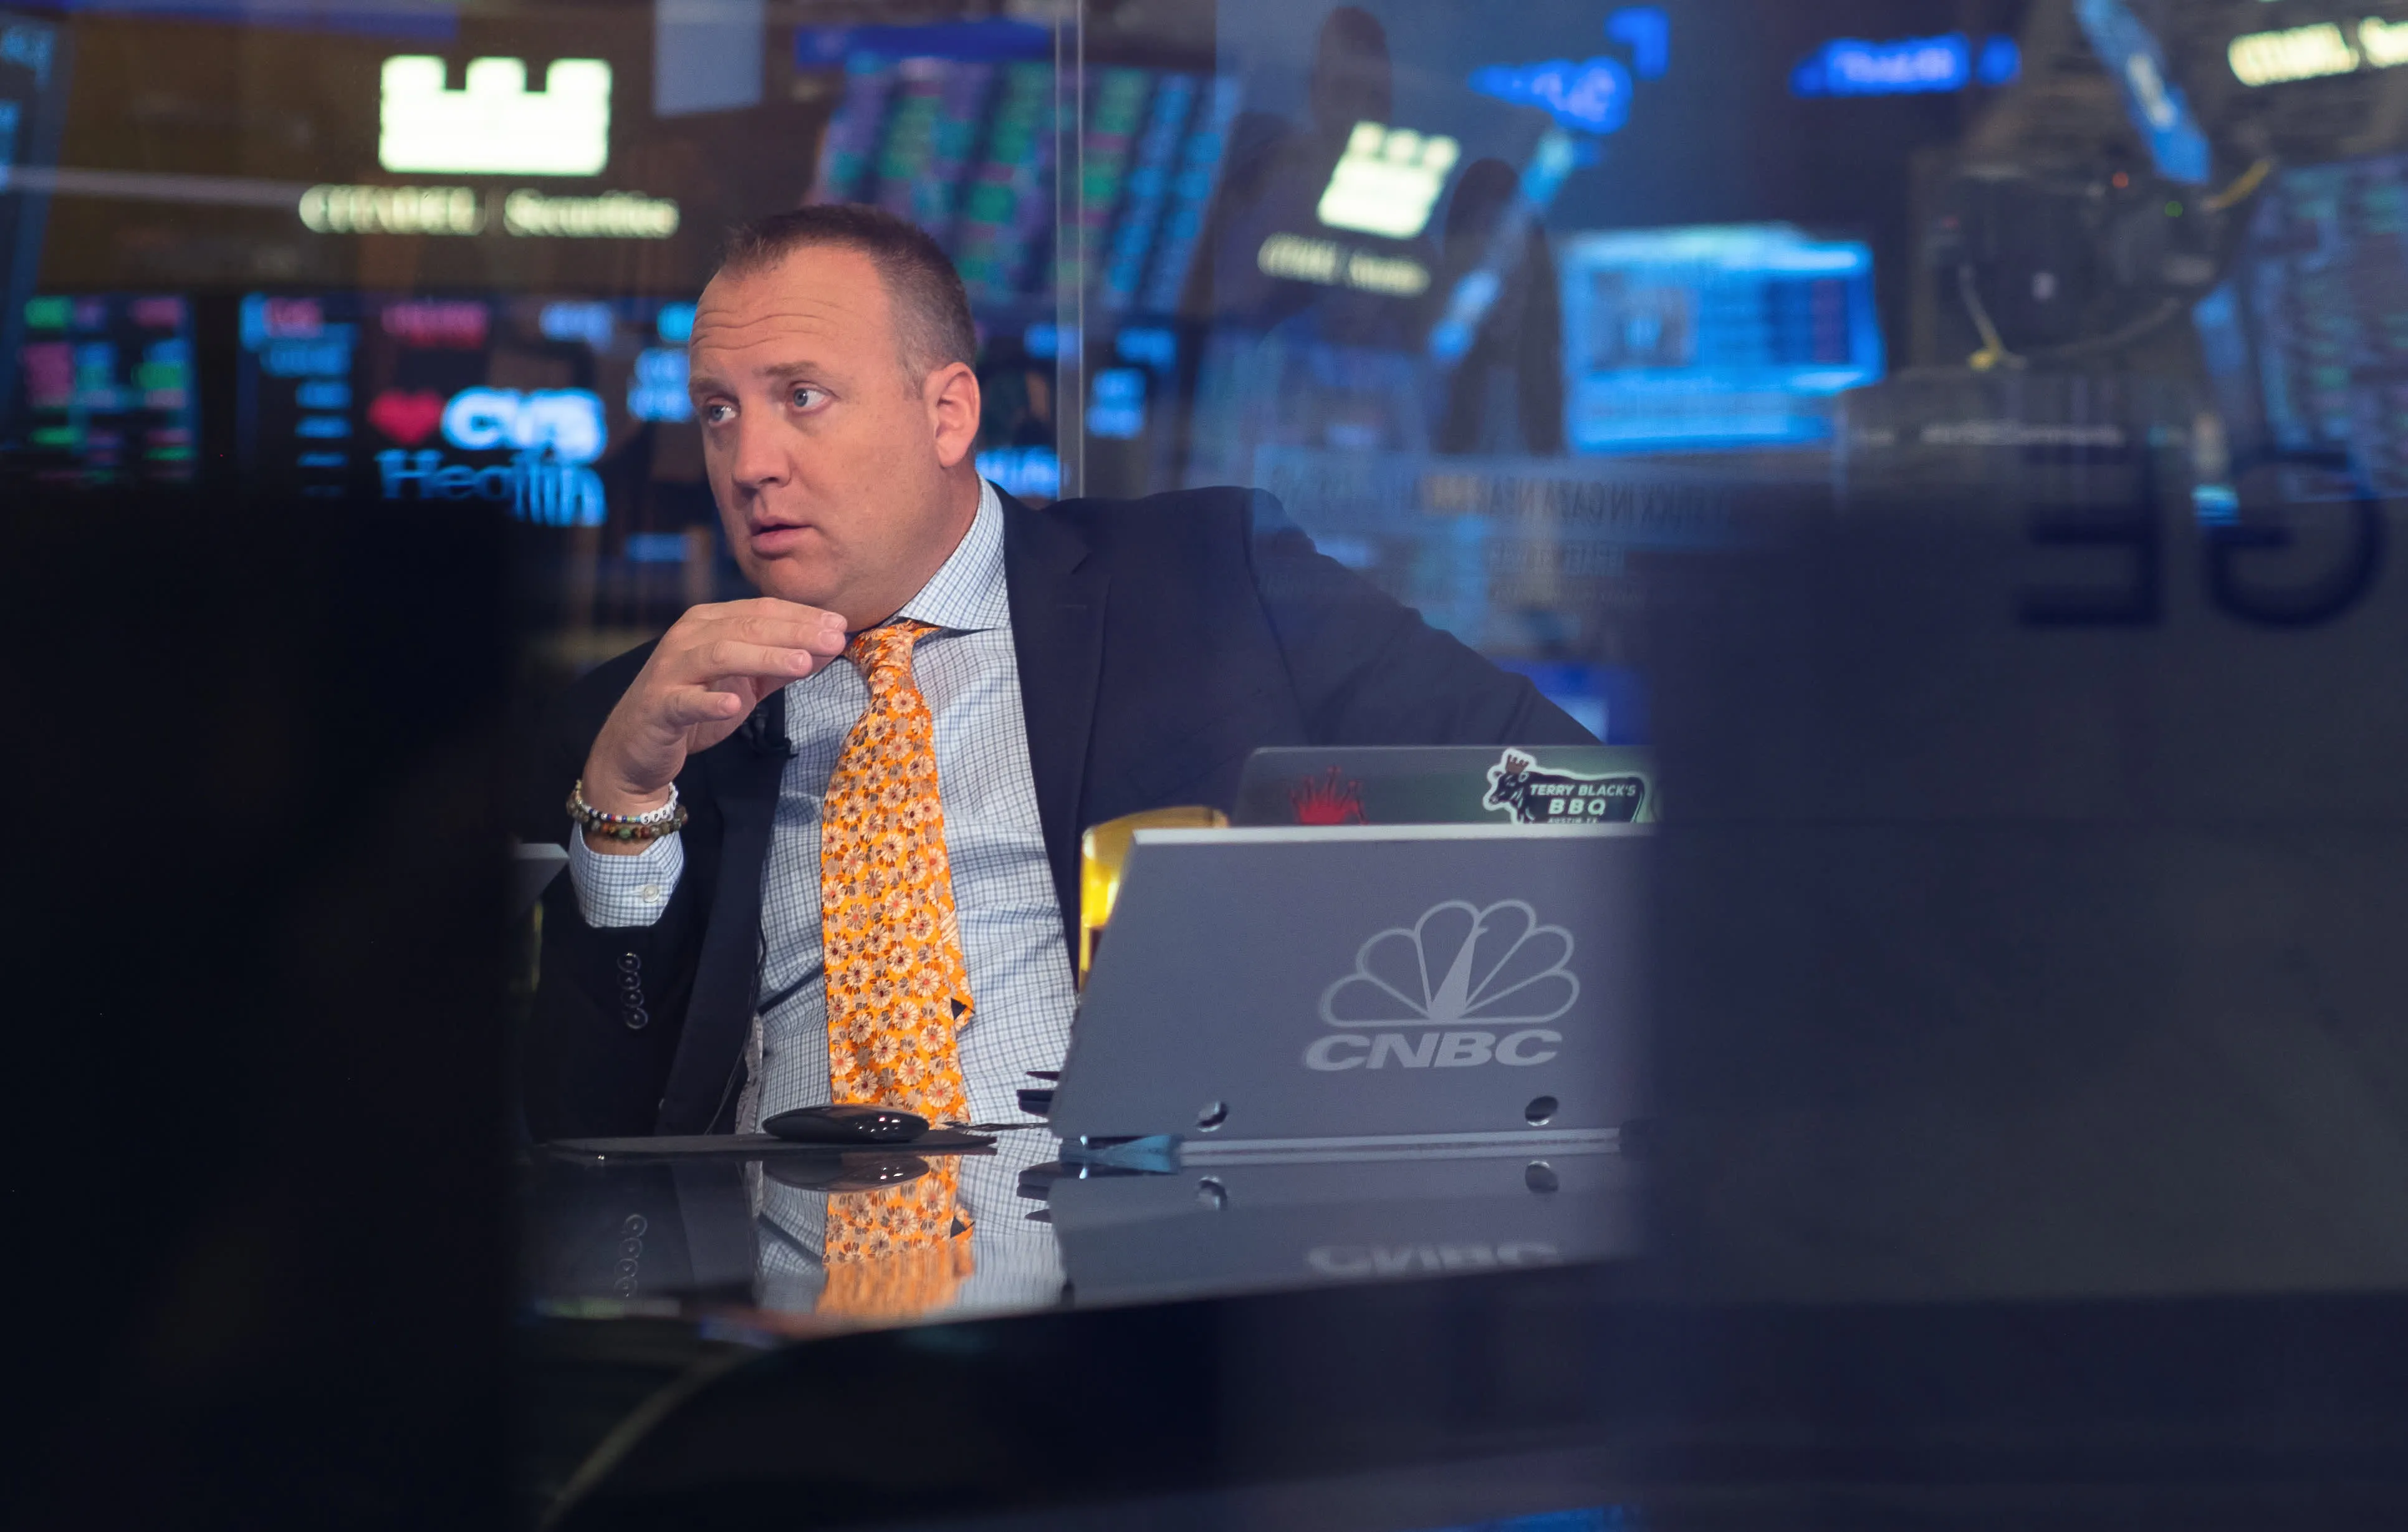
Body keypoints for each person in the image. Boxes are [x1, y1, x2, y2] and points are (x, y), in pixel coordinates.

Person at [520, 203, 1588, 1145]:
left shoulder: (1209, 580)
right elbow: (588, 1121)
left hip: (1154, 1230)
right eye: (717, 411)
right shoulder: (651, 718)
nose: (750, 462)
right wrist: (623, 803)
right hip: (794, 1254)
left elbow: (1560, 795)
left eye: (801, 396)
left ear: (948, 414)